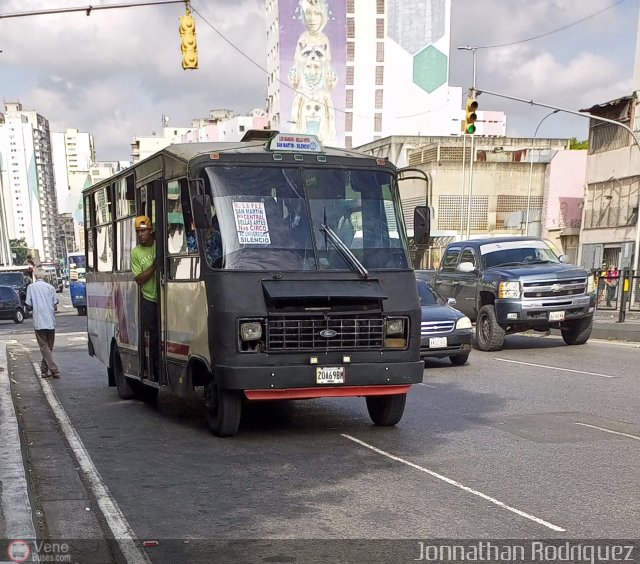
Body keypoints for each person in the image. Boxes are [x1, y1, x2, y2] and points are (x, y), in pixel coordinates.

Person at [131, 215, 159, 379]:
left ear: (150, 231)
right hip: (148, 298)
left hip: (165, 295)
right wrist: (154, 266)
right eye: (138, 232)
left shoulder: (160, 245)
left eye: (143, 231)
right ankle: (154, 369)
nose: (140, 235)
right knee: (154, 334)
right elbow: (139, 279)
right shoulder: (136, 253)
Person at [25, 270, 60, 379]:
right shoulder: (50, 287)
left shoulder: (31, 287)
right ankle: (45, 370)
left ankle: (53, 370)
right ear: (44, 277)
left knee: (44, 347)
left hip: (39, 320)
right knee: (49, 347)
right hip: (50, 320)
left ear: (35, 277)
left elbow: (28, 303)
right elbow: (55, 303)